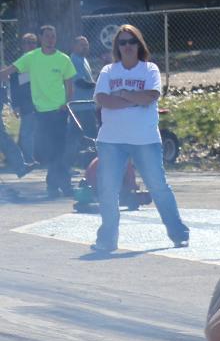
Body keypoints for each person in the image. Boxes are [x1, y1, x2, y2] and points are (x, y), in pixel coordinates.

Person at [91, 25, 188, 252]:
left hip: (145, 139)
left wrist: (123, 95)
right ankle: (107, 240)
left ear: (138, 45)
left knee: (159, 187)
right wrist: (136, 98)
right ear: (117, 47)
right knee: (108, 189)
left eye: (131, 41)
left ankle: (178, 234)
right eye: (122, 42)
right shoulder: (108, 71)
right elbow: (103, 100)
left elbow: (151, 96)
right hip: (111, 140)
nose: (127, 46)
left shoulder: (149, 69)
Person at [0, 25, 77, 197]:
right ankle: (57, 184)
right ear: (41, 39)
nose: (50, 39)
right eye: (47, 36)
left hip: (59, 111)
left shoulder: (63, 59)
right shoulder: (31, 57)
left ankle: (59, 185)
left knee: (59, 150)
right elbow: (9, 71)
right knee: (47, 151)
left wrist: (67, 103)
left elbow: (69, 84)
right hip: (41, 112)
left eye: (53, 36)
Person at [11, 32, 37, 164]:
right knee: (28, 131)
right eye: (27, 42)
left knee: (39, 131)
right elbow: (15, 85)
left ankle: (38, 156)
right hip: (27, 103)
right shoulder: (19, 63)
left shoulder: (41, 59)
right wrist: (15, 105)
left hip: (42, 101)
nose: (31, 45)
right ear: (23, 45)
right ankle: (28, 158)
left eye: (33, 42)